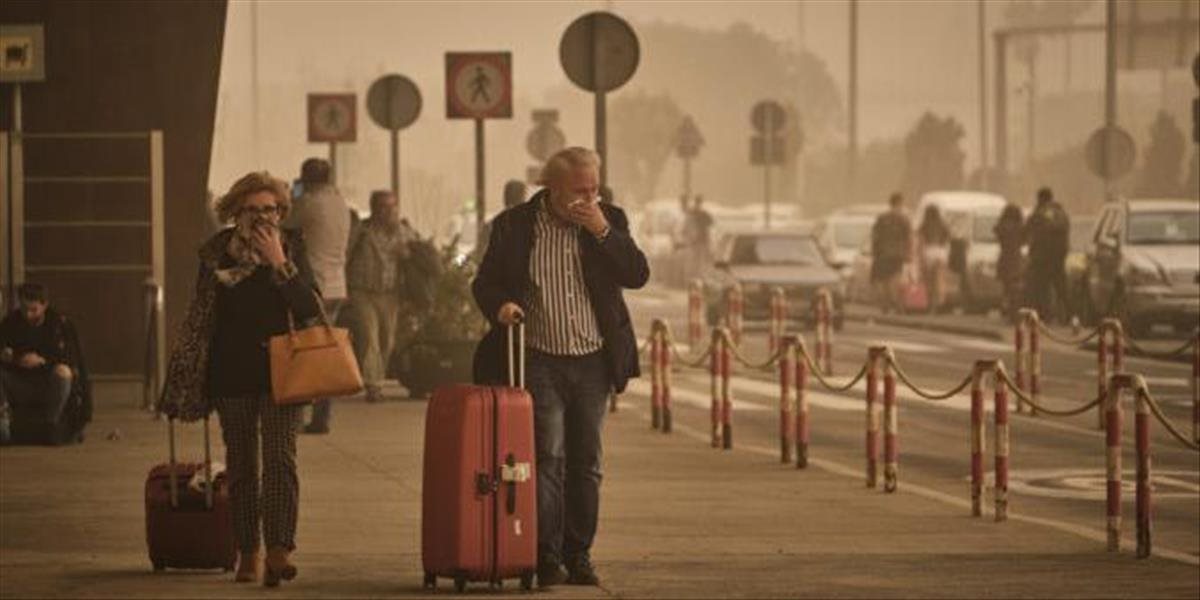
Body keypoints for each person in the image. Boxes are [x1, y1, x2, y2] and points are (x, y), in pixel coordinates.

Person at [472, 147, 649, 588]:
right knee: (547, 457)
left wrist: (604, 232)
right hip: (539, 357)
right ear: (551, 188)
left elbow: (637, 273)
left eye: (594, 189)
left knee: (586, 461)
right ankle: (546, 554)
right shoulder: (514, 226)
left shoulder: (609, 220)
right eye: (578, 191)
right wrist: (502, 305)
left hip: (592, 359)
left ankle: (579, 552)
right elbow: (485, 282)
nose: (588, 199)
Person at [158, 171, 322, 587]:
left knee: (281, 459)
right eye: (252, 210)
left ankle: (280, 551)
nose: (263, 218)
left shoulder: (292, 248)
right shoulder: (217, 254)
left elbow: (309, 307)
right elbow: (201, 317)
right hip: (231, 371)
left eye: (270, 209)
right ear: (235, 213)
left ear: (281, 211)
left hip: (284, 369)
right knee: (243, 464)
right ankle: (248, 551)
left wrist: (279, 263)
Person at [286, 158, 350, 435]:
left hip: (315, 284)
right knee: (326, 349)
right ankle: (323, 414)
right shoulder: (339, 202)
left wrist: (295, 193)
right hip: (337, 285)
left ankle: (303, 415)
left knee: (306, 350)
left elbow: (286, 222)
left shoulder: (309, 202)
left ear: (306, 178)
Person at [345, 190, 415, 402]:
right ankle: (373, 384)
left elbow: (417, 256)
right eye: (382, 206)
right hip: (362, 290)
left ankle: (376, 377)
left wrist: (407, 254)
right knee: (369, 336)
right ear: (374, 208)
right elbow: (346, 254)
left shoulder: (404, 232)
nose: (387, 211)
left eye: (392, 206)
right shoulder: (362, 230)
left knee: (387, 339)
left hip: (390, 293)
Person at [0, 283, 91, 445]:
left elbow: (72, 359)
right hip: (20, 381)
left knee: (64, 372)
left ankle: (51, 423)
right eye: (24, 309)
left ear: (44, 305)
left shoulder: (59, 324)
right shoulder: (10, 323)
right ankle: (4, 421)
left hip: (48, 383)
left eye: (33, 310)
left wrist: (43, 361)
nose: (28, 315)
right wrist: (14, 359)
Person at [1022, 187, 1070, 324]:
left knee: (1039, 288)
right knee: (1061, 288)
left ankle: (1043, 317)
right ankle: (1069, 317)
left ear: (1040, 198)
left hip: (1041, 258)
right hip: (1059, 257)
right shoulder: (1061, 212)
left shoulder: (1039, 213)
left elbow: (1026, 232)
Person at [870, 192, 913, 313]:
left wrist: (874, 251)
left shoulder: (882, 218)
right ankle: (897, 305)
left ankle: (886, 305)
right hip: (898, 254)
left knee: (884, 280)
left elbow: (875, 235)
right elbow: (909, 237)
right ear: (900, 203)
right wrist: (909, 253)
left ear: (890, 203)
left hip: (883, 253)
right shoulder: (904, 219)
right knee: (895, 279)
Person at [916, 204, 951, 313]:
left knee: (928, 281)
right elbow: (948, 239)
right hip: (941, 252)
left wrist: (920, 256)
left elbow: (921, 241)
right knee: (940, 279)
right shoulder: (943, 225)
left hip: (928, 251)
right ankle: (940, 302)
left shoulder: (924, 225)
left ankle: (930, 304)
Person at [994, 203, 1025, 321]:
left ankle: (1007, 310)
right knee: (1016, 286)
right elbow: (1025, 239)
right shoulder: (1020, 227)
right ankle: (1014, 311)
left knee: (1007, 287)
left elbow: (996, 231)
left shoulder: (1002, 226)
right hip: (1016, 258)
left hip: (1004, 258)